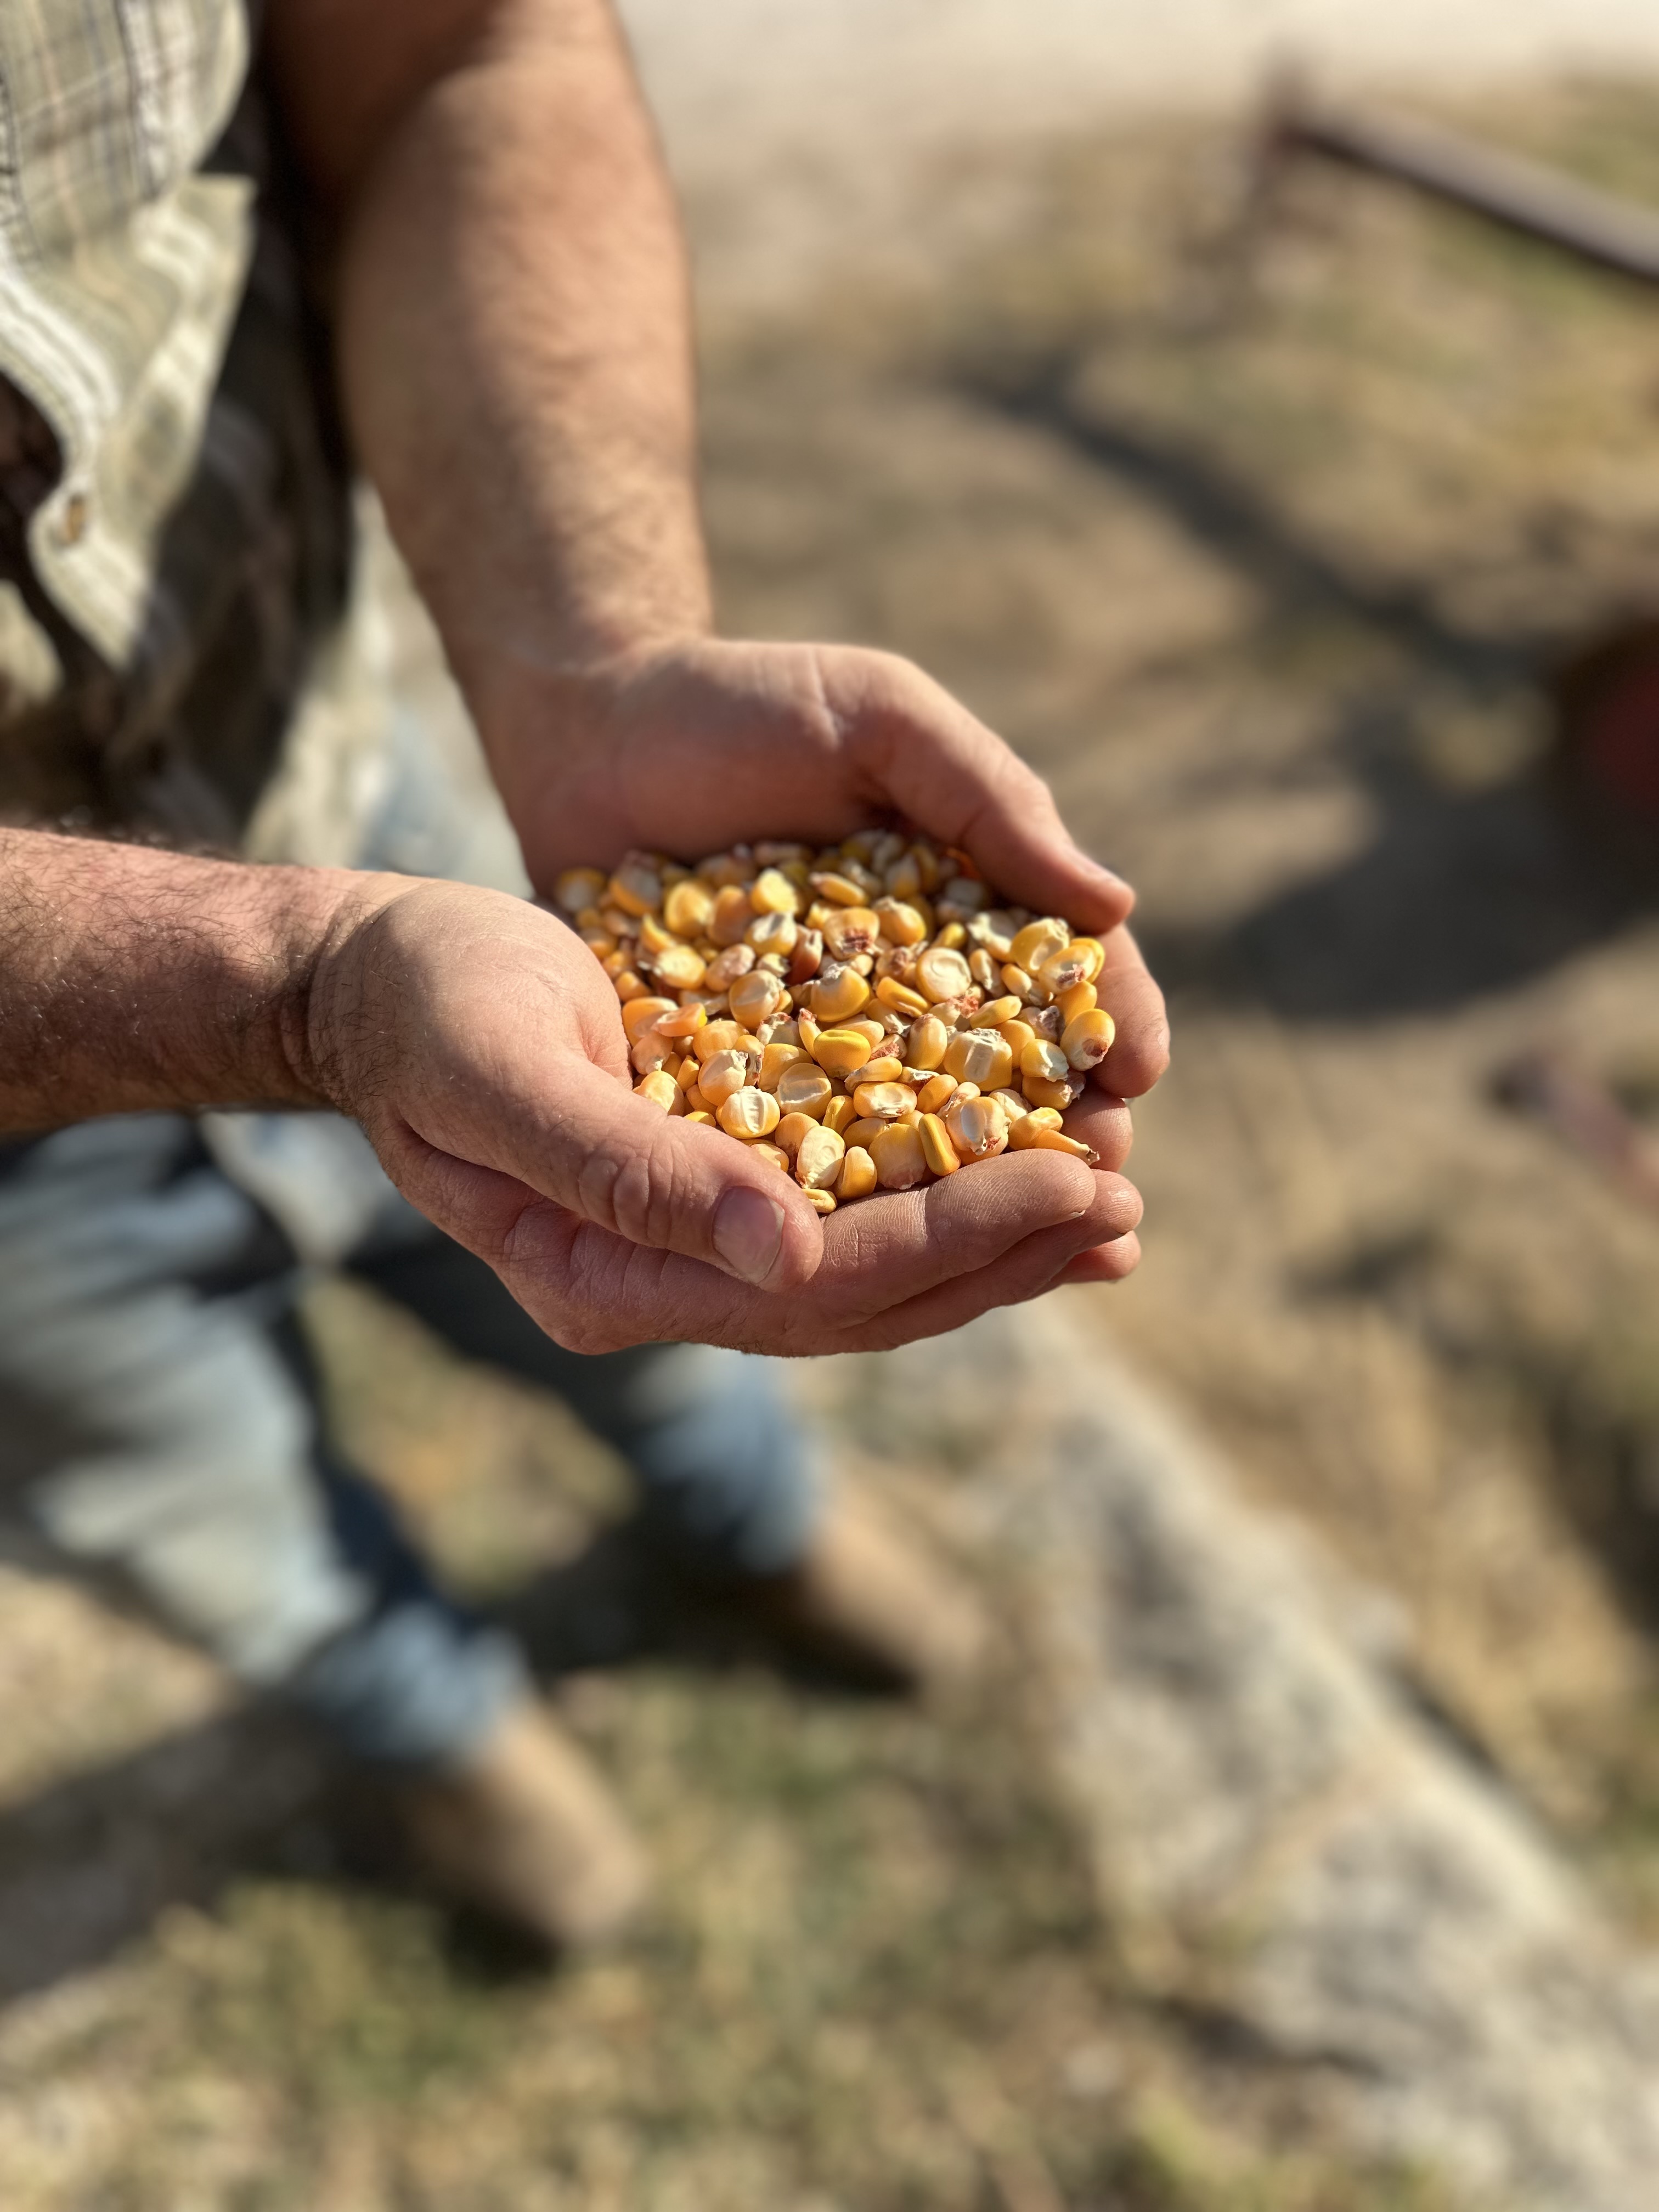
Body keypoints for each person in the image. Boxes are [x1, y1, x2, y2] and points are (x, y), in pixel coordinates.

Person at [0, 0, 1168, 1953]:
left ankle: (754, 1528)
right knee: (188, 1499)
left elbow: (470, 56)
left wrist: (592, 658)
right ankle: (435, 1720)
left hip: (349, 791)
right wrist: (297, 991)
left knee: (671, 1261)